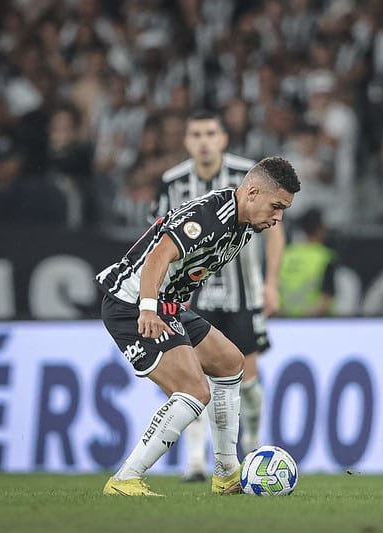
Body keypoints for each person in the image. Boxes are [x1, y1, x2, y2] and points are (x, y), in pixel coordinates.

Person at [97, 156, 300, 496]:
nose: (278, 218)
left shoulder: (244, 222)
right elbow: (158, 256)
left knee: (229, 362)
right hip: (132, 303)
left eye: (284, 211)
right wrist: (147, 309)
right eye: (276, 206)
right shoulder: (210, 216)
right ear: (252, 192)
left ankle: (226, 473)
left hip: (167, 305)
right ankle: (124, 479)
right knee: (194, 391)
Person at [152, 110, 286, 482]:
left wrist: (271, 283)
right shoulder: (172, 182)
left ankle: (254, 446)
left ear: (224, 138)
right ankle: (195, 461)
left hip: (244, 295)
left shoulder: (250, 177)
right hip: (192, 298)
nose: (204, 141)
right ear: (187, 140)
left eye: (211, 133)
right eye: (196, 134)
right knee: (193, 377)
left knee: (248, 382)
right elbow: (158, 238)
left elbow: (275, 232)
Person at [279, 208, 338, 317]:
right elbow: (326, 299)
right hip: (313, 323)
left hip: (284, 321)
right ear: (321, 229)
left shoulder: (285, 254)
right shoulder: (325, 257)